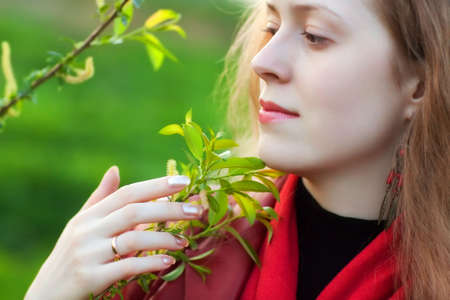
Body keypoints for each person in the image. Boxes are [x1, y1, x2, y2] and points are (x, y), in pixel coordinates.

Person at [25, 0, 449, 299]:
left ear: (421, 83)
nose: (262, 61)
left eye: (315, 36)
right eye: (270, 25)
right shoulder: (177, 247)